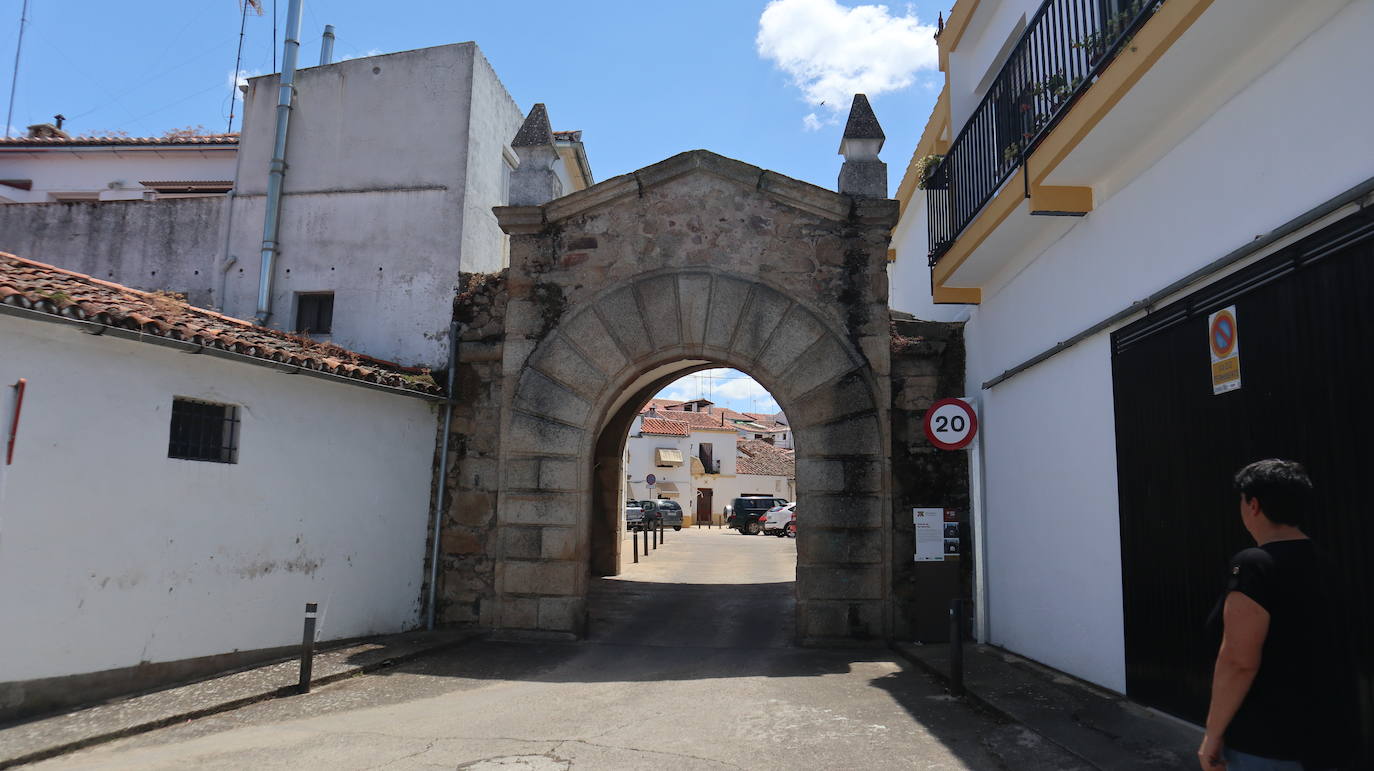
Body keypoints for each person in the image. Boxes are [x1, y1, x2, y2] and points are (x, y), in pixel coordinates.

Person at [1199, 459, 1350, 770]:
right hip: (1329, 737)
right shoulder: (1326, 563)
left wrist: (1212, 734)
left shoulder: (1254, 563)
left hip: (1268, 742)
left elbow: (1239, 661)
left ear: (1253, 505)